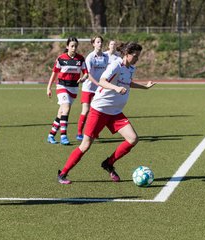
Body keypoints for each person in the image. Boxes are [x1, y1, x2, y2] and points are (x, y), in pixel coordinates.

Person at [57, 42, 156, 184]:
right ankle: (63, 173)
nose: (137, 59)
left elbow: (128, 82)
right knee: (85, 145)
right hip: (99, 110)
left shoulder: (130, 68)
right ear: (127, 54)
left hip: (115, 112)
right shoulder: (115, 65)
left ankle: (108, 163)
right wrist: (115, 88)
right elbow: (102, 81)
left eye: (138, 56)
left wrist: (145, 87)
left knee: (133, 139)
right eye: (135, 56)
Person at [46, 37, 88, 145]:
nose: (74, 48)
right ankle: (63, 136)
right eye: (72, 46)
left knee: (61, 112)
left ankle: (51, 135)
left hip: (73, 88)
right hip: (62, 86)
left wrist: (83, 78)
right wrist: (49, 87)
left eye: (75, 46)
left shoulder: (80, 59)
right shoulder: (61, 58)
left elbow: (86, 73)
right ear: (67, 46)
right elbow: (54, 73)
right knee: (66, 107)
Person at [76, 35, 109, 141]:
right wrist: (98, 83)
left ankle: (94, 132)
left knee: (97, 111)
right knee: (85, 110)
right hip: (88, 88)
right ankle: (79, 133)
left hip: (99, 89)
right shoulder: (90, 57)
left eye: (101, 42)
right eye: (97, 42)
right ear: (93, 44)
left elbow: (106, 72)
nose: (100, 44)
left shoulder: (105, 57)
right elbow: (88, 74)